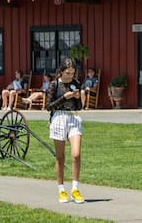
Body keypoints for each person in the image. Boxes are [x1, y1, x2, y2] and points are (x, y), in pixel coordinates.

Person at [45, 59, 86, 203]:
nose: (70, 76)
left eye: (72, 73)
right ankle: (61, 189)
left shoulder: (76, 84)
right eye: (67, 73)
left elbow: (79, 106)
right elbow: (48, 106)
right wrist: (64, 98)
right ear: (61, 72)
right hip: (59, 118)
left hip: (73, 117)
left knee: (76, 154)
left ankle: (75, 188)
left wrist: (77, 98)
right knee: (60, 156)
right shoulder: (54, 84)